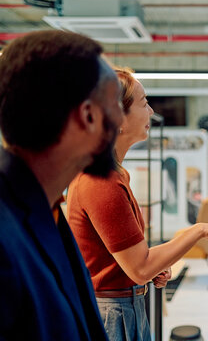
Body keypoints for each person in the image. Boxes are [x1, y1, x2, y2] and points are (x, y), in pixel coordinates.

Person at [66, 67, 208, 341]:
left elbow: (134, 263)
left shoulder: (113, 174)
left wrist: (152, 266)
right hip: (112, 313)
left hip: (123, 305)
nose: (151, 111)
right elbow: (140, 267)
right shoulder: (101, 181)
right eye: (144, 103)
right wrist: (200, 230)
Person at [0, 30, 124, 340]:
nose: (121, 120)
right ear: (88, 116)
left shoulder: (48, 208)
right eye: (116, 105)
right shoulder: (4, 237)